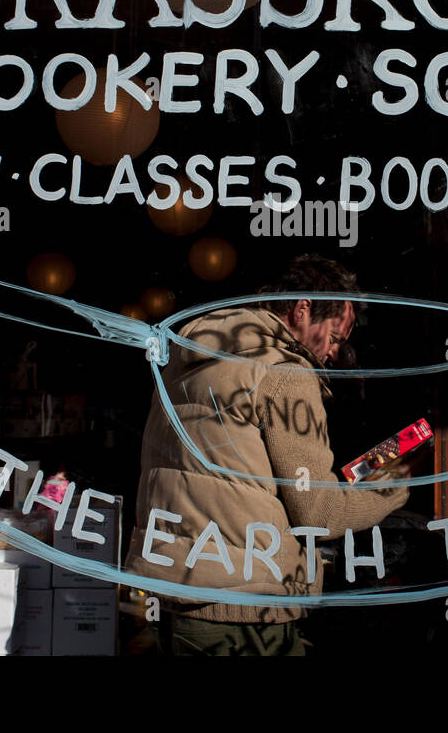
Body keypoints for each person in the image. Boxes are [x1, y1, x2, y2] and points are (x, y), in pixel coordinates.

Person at [122, 254, 408, 655]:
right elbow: (319, 514)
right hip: (246, 612)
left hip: (179, 595)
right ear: (302, 309)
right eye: (334, 337)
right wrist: (397, 482)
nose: (333, 354)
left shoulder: (189, 359)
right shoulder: (284, 373)